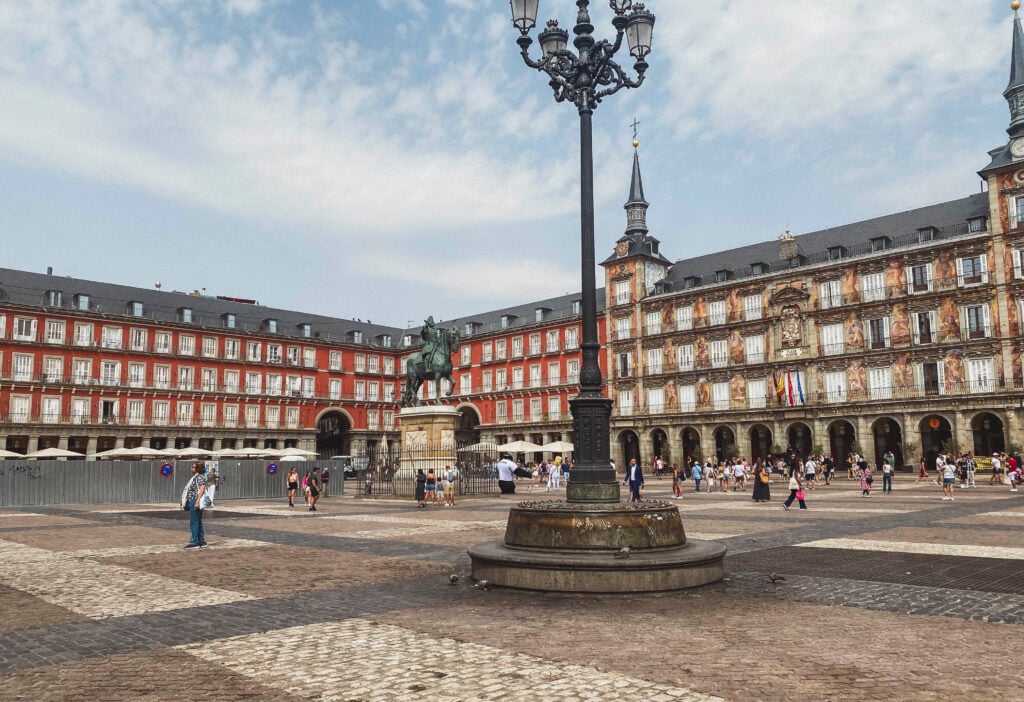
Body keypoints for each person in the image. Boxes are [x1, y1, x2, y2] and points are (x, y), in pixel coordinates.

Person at [183, 462, 208, 548]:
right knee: (198, 521)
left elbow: (202, 488)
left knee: (194, 521)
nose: (191, 468)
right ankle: (201, 540)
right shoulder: (199, 477)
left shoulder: (199, 477)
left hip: (195, 500)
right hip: (195, 500)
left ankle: (194, 542)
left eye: (193, 467)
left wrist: (197, 501)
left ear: (197, 468)